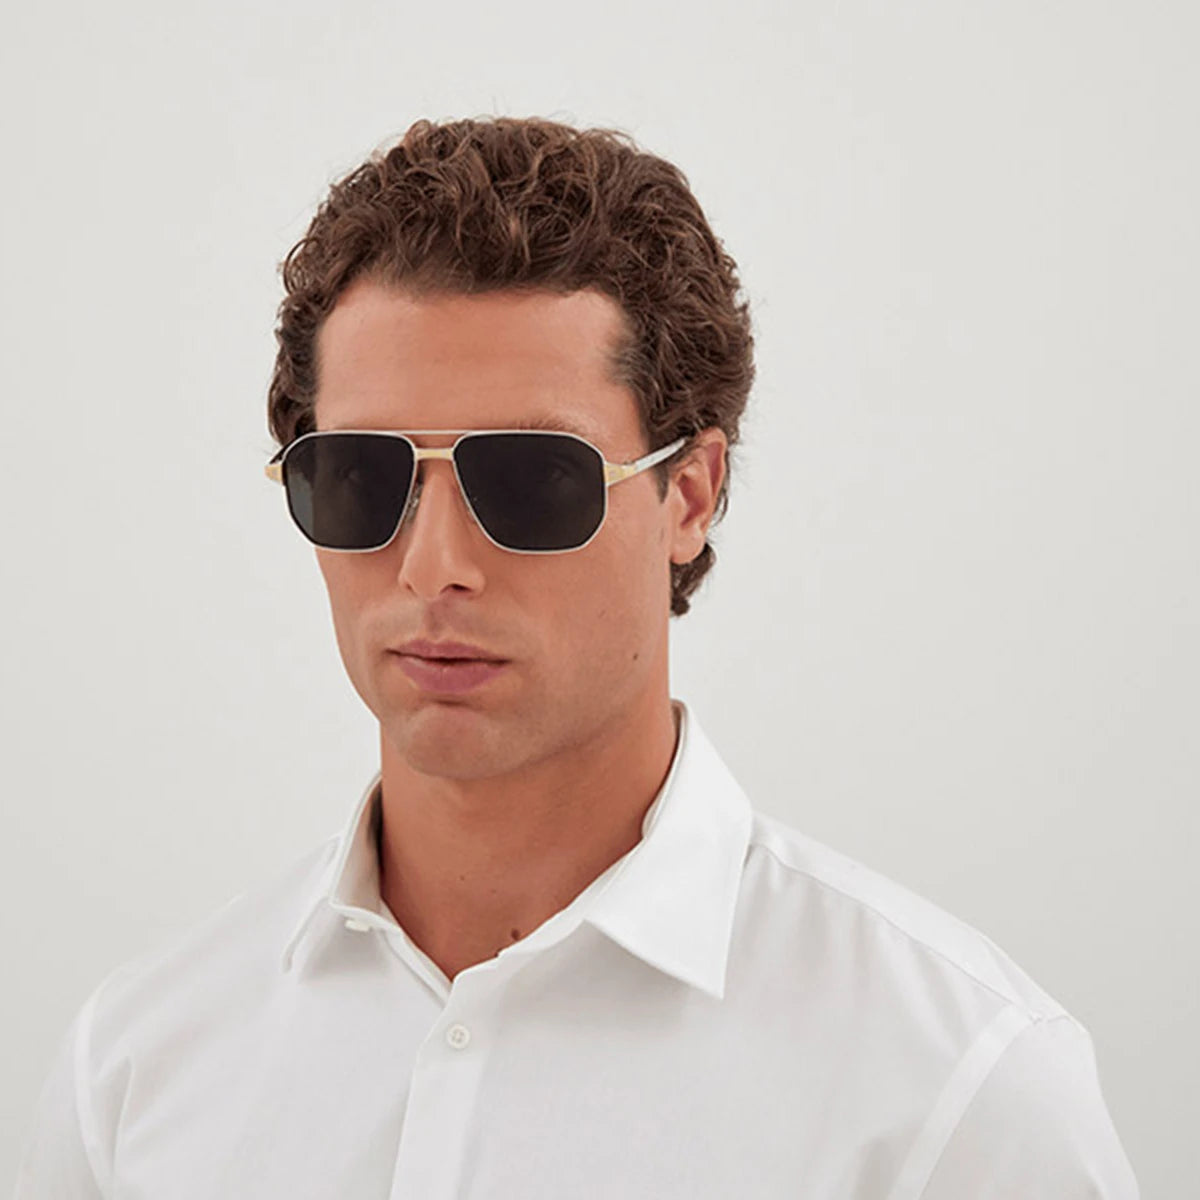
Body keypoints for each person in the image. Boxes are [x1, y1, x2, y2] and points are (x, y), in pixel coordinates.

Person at [14, 116, 1139, 1199]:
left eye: (531, 480)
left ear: (689, 494)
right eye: (361, 475)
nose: (433, 567)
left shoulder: (955, 1096)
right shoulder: (138, 1071)